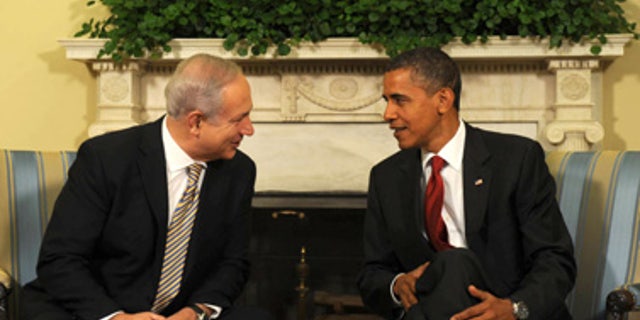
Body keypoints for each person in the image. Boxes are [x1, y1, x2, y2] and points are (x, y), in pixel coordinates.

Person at [21, 54, 272, 320]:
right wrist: (117, 317)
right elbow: (60, 260)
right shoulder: (106, 158)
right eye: (238, 119)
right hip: (97, 308)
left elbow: (233, 263)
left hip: (178, 313)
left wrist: (196, 312)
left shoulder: (239, 171)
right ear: (195, 122)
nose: (249, 129)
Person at [357, 47, 576, 320]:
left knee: (455, 261)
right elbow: (372, 273)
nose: (387, 114)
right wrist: (397, 283)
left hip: (507, 311)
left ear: (443, 100)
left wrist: (514, 308)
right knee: (450, 267)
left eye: (399, 100)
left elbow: (555, 260)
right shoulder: (386, 177)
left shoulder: (515, 159)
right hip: (432, 308)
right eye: (386, 101)